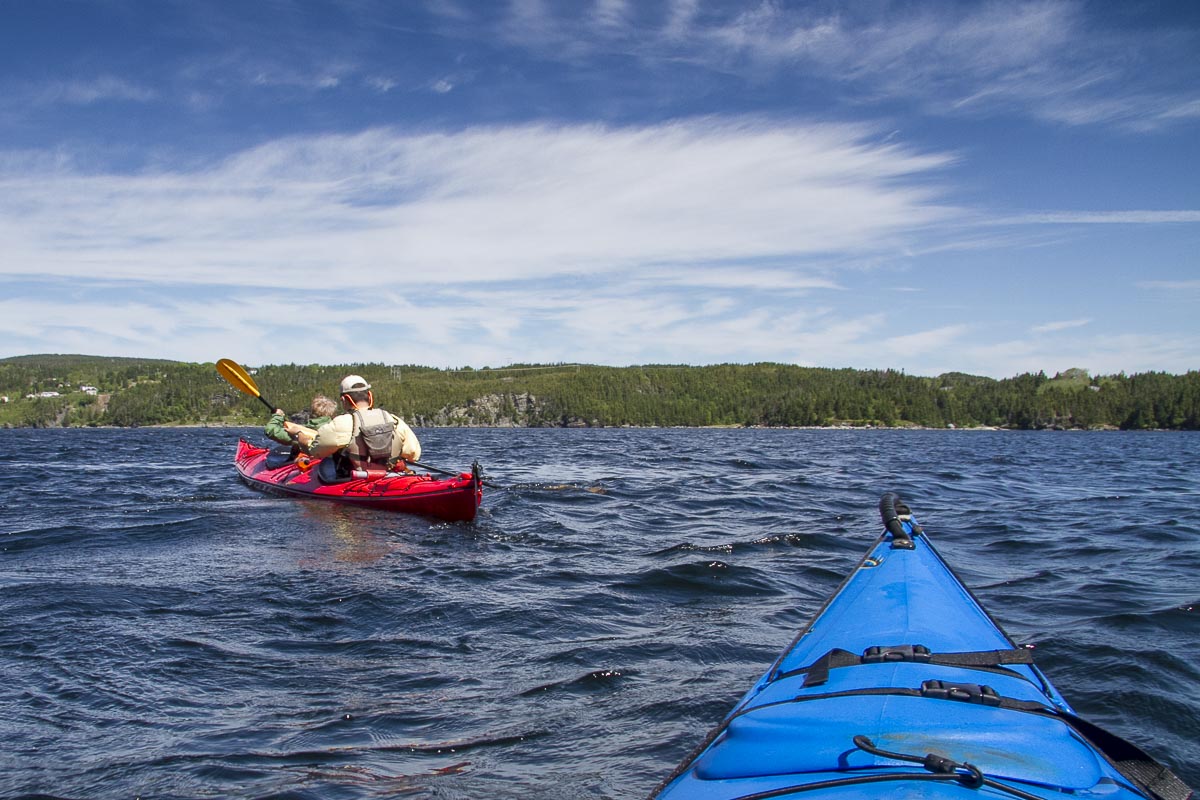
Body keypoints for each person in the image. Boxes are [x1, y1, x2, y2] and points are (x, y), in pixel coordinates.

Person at [308, 375, 421, 470]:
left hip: (355, 479)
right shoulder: (394, 420)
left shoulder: (340, 423)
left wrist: (305, 442)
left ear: (344, 399)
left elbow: (316, 452)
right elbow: (413, 454)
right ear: (369, 396)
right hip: (388, 476)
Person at [264, 395, 338, 452]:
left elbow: (270, 430)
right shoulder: (337, 429)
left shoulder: (301, 431)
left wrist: (278, 416)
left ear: (312, 412)